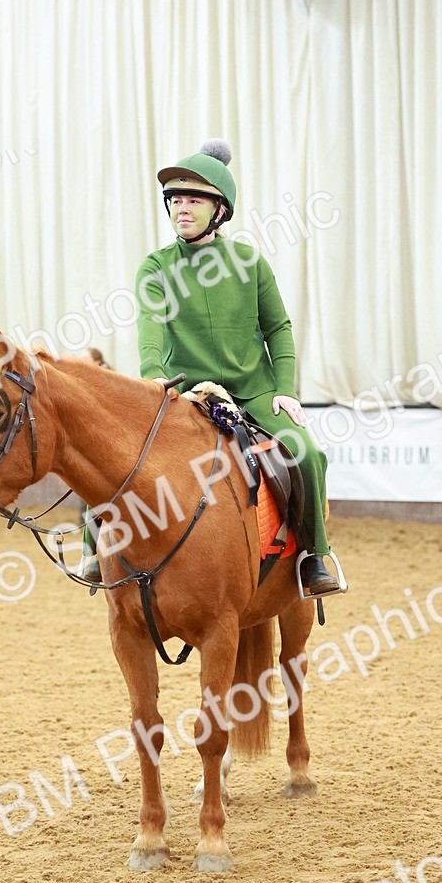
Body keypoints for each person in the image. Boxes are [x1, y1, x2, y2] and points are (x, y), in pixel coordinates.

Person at [78, 139, 342, 597]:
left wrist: (284, 388)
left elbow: (278, 327)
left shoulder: (250, 263)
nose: (181, 208)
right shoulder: (155, 268)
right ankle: (94, 546)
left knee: (306, 452)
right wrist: (153, 375)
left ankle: (313, 558)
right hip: (188, 392)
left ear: (220, 210)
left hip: (255, 391)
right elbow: (150, 326)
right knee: (110, 450)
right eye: (175, 200)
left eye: (193, 200)